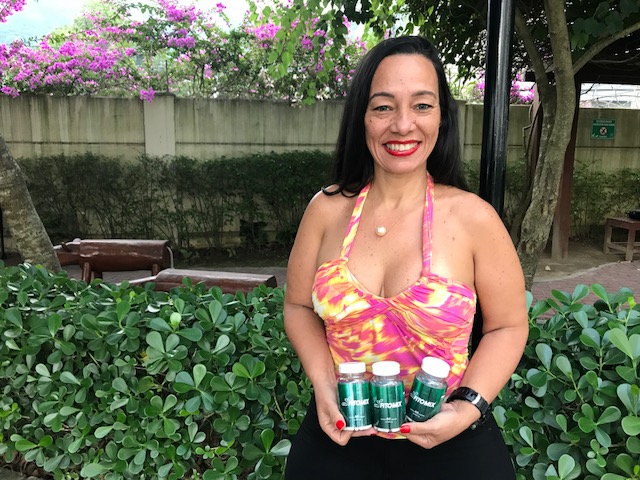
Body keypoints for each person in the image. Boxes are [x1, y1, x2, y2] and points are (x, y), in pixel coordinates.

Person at [283, 35, 528, 479]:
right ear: (361, 117)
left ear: (442, 117)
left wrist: (468, 407)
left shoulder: (474, 218)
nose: (402, 124)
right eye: (383, 107)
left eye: (421, 105)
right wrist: (323, 383)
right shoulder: (326, 209)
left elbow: (508, 326)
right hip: (340, 438)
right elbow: (298, 306)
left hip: (451, 446)